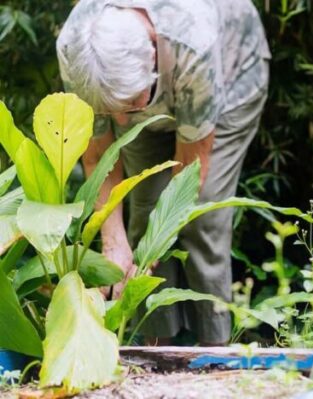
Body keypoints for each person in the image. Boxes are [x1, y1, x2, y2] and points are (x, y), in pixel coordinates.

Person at [56, 0, 271, 346]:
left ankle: (216, 354)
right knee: (142, 217)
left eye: (129, 107)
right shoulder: (76, 50)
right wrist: (115, 245)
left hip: (230, 79)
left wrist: (154, 250)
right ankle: (154, 349)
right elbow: (97, 158)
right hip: (147, 89)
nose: (122, 123)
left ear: (153, 55)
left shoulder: (193, 44)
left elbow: (189, 174)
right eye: (113, 112)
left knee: (202, 219)